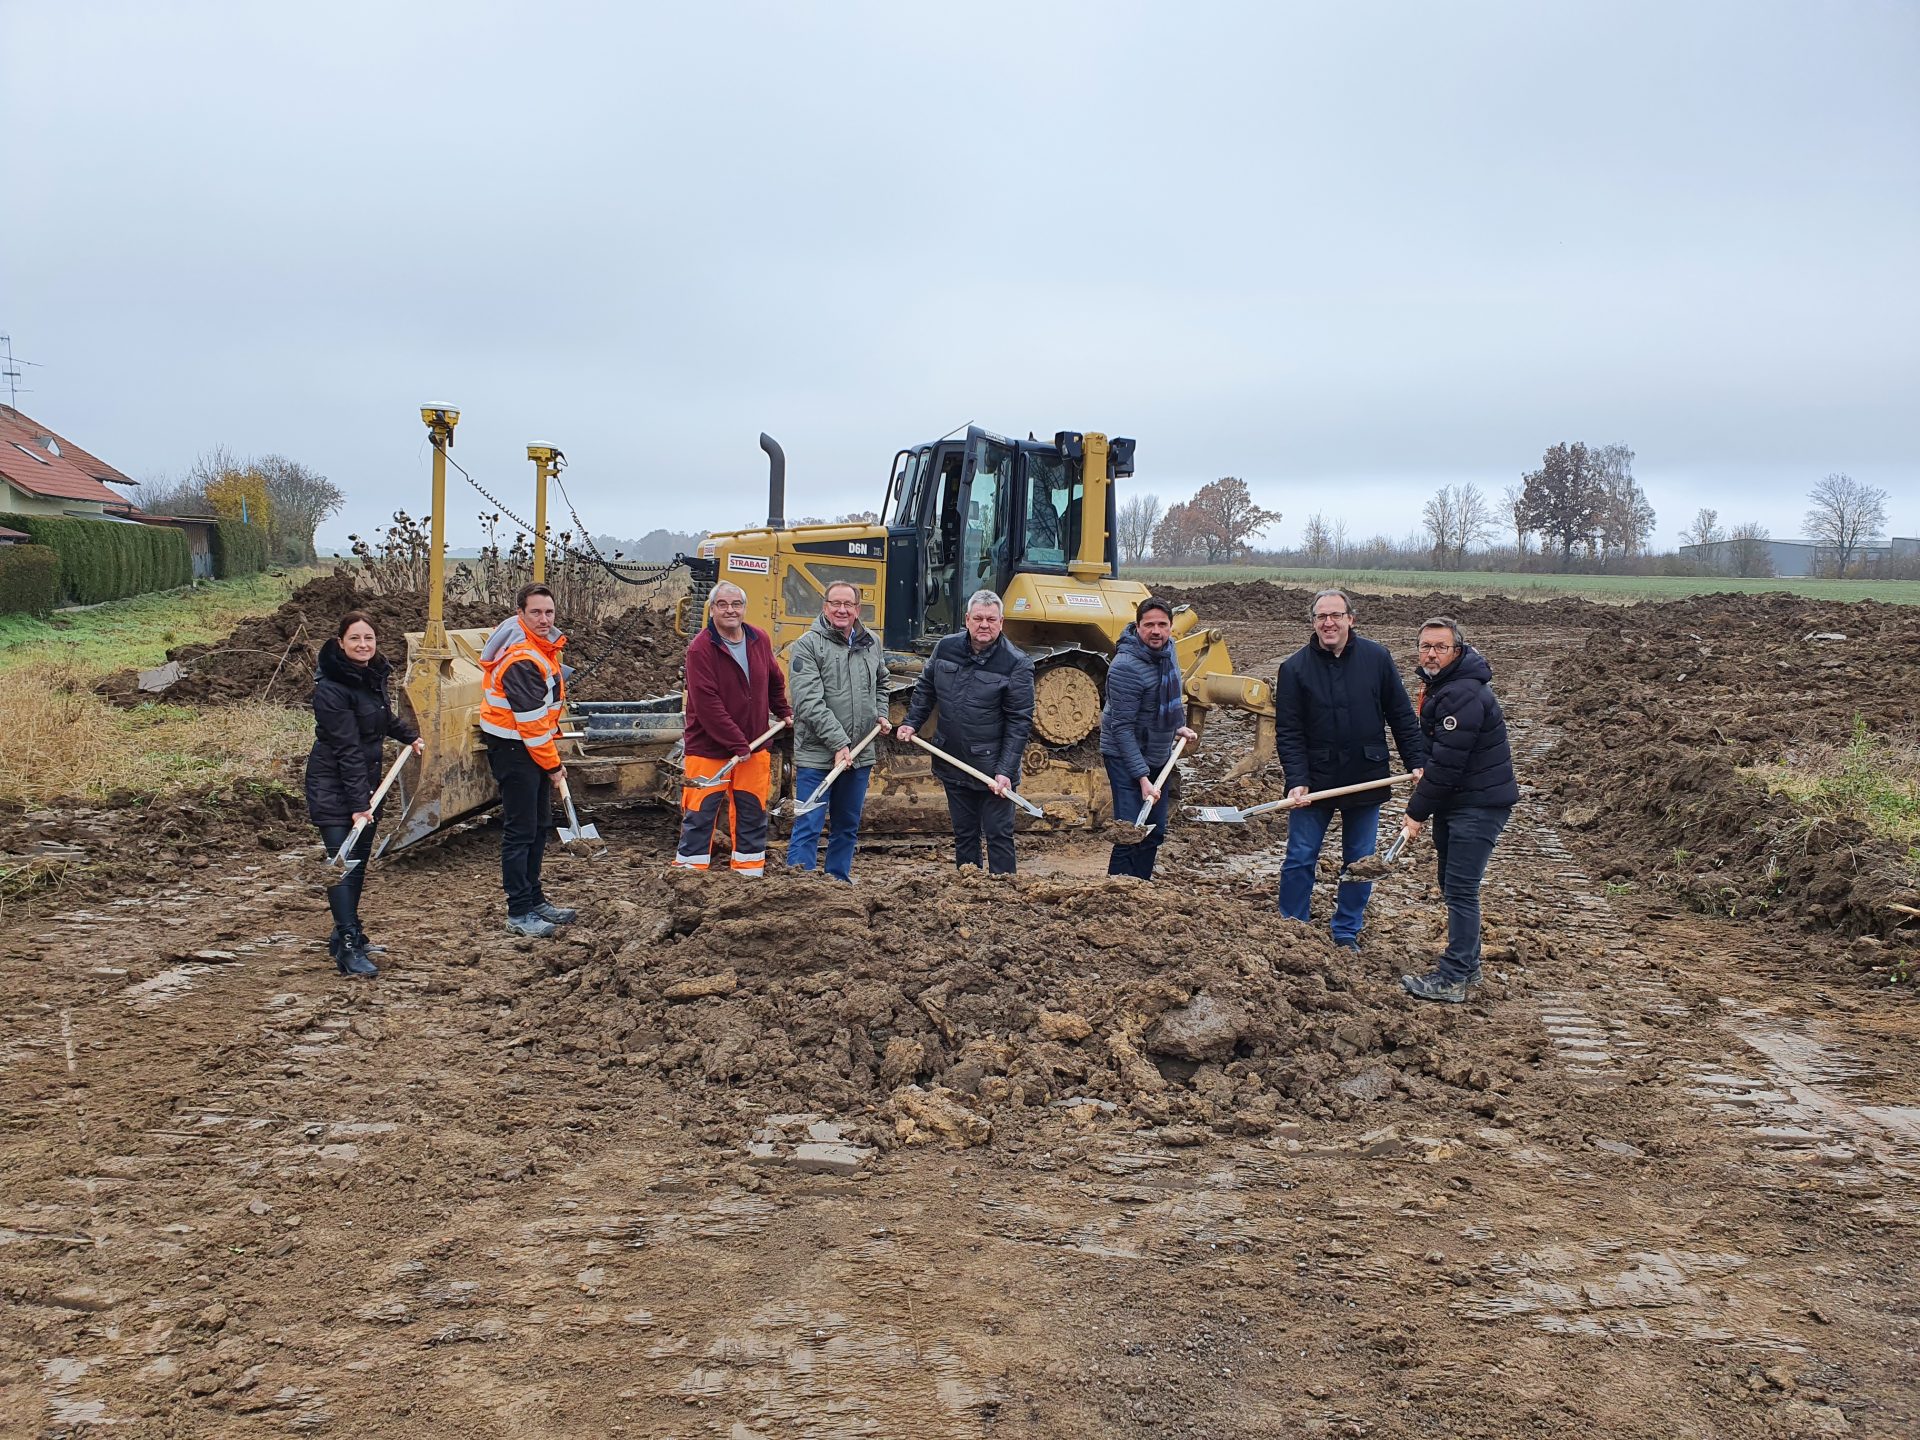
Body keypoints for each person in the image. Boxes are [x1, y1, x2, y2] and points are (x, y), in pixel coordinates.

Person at [1274, 588, 1426, 948]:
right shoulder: (1294, 668)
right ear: (1313, 623)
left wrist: (1417, 761)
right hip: (1315, 784)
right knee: (1299, 856)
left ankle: (1346, 931)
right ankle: (1292, 929)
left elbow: (1402, 716)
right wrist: (1297, 780)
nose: (1328, 622)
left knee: (1360, 861)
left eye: (1335, 615)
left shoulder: (1376, 659)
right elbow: (1289, 732)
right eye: (1321, 617)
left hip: (1366, 775)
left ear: (1350, 619)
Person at [1397, 616, 1520, 1003]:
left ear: (1457, 650)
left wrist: (1415, 814)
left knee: (1462, 890)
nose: (1431, 654)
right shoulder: (1443, 687)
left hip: (1478, 804)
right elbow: (1440, 755)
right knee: (1454, 888)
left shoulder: (1461, 694)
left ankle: (1452, 978)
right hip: (1461, 800)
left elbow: (1449, 766)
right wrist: (1423, 765)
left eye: (1440, 647)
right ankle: (1468, 966)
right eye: (1425, 646)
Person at [304, 611, 424, 977]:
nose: (363, 645)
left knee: (357, 866)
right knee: (342, 866)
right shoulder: (330, 689)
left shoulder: (370, 677)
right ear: (340, 643)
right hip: (334, 785)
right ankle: (350, 946)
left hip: (365, 785)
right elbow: (347, 749)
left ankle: (344, 934)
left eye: (368, 638)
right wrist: (358, 805)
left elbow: (382, 718)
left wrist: (408, 735)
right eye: (355, 638)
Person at [897, 589, 1035, 875]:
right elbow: (926, 688)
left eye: (991, 619)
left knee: (998, 834)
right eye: (979, 618)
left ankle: (1002, 893)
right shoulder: (946, 648)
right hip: (952, 759)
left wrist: (1005, 771)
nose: (985, 625)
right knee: (964, 833)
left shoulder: (1016, 663)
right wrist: (912, 721)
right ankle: (968, 889)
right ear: (967, 620)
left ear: (1001, 622)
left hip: (992, 769)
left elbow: (1019, 721)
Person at [479, 583, 577, 937]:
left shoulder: (541, 647)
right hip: (515, 749)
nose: (544, 619)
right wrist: (552, 765)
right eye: (535, 612)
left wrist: (548, 758)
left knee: (538, 827)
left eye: (549, 612)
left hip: (529, 746)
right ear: (520, 613)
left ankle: (535, 899)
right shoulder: (521, 658)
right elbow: (532, 725)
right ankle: (519, 911)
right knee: (520, 832)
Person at [676, 581, 792, 875]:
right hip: (709, 748)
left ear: (744, 608)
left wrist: (783, 710)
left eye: (736, 604)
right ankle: (689, 877)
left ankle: (748, 874)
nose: (730, 610)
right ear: (712, 609)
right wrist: (737, 743)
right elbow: (708, 705)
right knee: (700, 813)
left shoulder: (758, 638)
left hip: (754, 748)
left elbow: (774, 679)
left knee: (752, 811)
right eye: (723, 605)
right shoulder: (701, 649)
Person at [786, 581, 890, 881]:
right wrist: (838, 743)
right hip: (819, 754)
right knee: (809, 822)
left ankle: (837, 882)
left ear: (858, 609)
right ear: (825, 607)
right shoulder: (807, 645)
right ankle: (799, 887)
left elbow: (882, 682)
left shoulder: (871, 642)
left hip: (859, 753)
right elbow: (808, 703)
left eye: (849, 604)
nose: (842, 609)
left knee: (846, 825)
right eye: (836, 603)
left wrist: (881, 712)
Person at [1100, 596, 1198, 879]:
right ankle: (1116, 893)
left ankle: (1141, 889)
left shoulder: (1168, 651)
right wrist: (1143, 779)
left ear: (1170, 626)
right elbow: (1121, 728)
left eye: (1162, 624)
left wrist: (1176, 726)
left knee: (1154, 830)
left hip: (1157, 750)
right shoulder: (1125, 667)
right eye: (1149, 625)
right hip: (1124, 753)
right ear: (1137, 626)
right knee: (1130, 830)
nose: (1156, 631)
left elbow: (1166, 699)